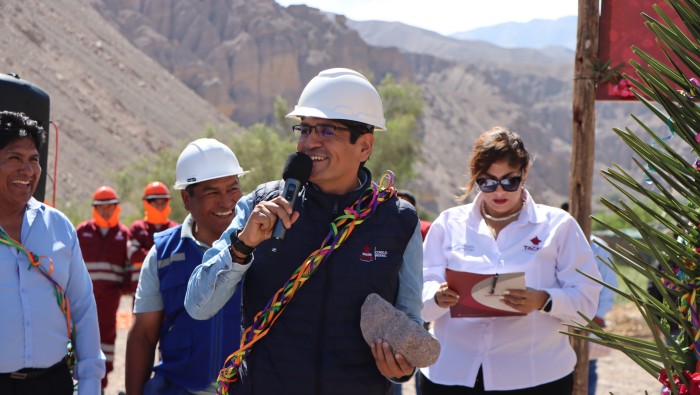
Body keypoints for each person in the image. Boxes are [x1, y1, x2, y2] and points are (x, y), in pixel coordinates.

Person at [185, 68, 423, 395]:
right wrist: (242, 246)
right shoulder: (260, 205)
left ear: (364, 146)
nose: (309, 142)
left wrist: (400, 366)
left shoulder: (399, 221)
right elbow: (198, 305)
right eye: (305, 128)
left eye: (327, 131)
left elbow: (409, 322)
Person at [419, 127, 602, 394]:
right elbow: (416, 298)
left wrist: (544, 300)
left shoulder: (558, 226)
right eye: (488, 182)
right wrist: (437, 297)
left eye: (509, 181)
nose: (499, 191)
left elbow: (587, 301)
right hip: (450, 375)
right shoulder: (448, 224)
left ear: (525, 171)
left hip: (535, 377)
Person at [125, 138, 248, 395]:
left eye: (233, 189)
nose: (227, 202)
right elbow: (144, 336)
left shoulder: (264, 246)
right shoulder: (163, 254)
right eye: (212, 192)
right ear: (186, 198)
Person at [0, 111, 105, 394]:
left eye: (34, 159)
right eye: (14, 158)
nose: (28, 170)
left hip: (53, 383)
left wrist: (90, 384)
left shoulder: (58, 226)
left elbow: (83, 308)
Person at [76, 185, 132, 390]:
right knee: (79, 338)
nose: (105, 210)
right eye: (101, 206)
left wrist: (124, 288)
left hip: (109, 301)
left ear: (116, 207)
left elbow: (130, 268)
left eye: (109, 206)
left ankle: (102, 384)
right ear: (94, 208)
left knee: (107, 339)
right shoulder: (82, 231)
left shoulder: (123, 235)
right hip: (82, 298)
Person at [560, 202, 618, 395]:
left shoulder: (598, 249)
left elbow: (609, 285)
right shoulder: (554, 244)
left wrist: (598, 316)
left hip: (589, 321)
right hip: (558, 322)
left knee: (586, 369)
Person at [128, 181, 179, 293]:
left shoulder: (175, 229)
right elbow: (134, 256)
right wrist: (165, 257)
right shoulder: (137, 228)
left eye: (163, 203)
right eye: (156, 203)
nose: (160, 207)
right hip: (141, 289)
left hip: (169, 288)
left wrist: (147, 255)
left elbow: (179, 257)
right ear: (147, 203)